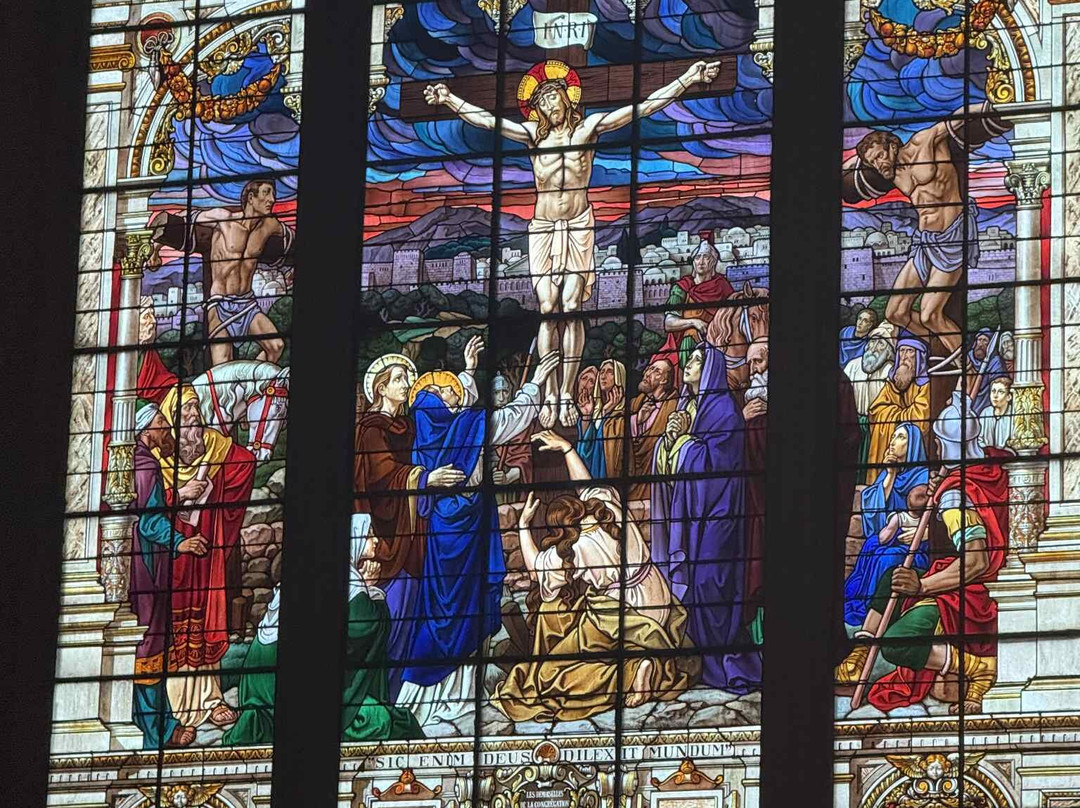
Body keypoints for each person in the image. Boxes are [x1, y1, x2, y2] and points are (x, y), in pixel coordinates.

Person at [425, 58, 722, 428]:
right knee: (548, 308)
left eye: (553, 96)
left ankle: (566, 391)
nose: (549, 105)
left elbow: (642, 108)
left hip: (579, 226)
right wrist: (449, 99)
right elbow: (488, 122)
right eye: (542, 100)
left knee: (570, 306)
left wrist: (688, 78)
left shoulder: (588, 129)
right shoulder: (533, 136)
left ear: (567, 98)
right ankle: (548, 392)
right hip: (542, 228)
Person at [396, 342, 559, 728]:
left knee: (450, 608)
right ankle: (446, 695)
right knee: (458, 608)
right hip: (463, 530)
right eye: (449, 390)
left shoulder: (429, 429)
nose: (459, 392)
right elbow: (507, 421)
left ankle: (456, 689)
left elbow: (459, 408)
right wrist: (535, 382)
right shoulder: (461, 423)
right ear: (438, 399)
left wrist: (469, 369)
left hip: (448, 529)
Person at [491, 432, 695, 722]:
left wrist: (523, 525)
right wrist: (567, 449)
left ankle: (631, 671)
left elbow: (536, 571)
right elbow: (585, 484)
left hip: (621, 612)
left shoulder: (573, 548)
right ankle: (641, 660)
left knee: (551, 675)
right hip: (656, 598)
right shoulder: (606, 507)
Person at [854, 391, 1010, 715]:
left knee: (898, 643)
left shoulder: (955, 497)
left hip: (972, 592)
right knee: (891, 576)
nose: (936, 451)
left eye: (939, 445)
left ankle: (977, 667)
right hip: (971, 577)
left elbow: (976, 561)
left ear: (946, 446)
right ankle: (862, 648)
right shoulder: (990, 468)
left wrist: (922, 586)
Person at [135, 350, 257, 732]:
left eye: (195, 411)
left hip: (204, 551)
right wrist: (180, 493)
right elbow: (147, 509)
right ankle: (175, 707)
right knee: (169, 626)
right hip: (168, 557)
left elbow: (244, 464)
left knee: (205, 620)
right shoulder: (154, 463)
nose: (192, 418)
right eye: (184, 412)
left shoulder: (215, 448)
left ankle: (209, 699)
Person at [222, 515, 424, 744]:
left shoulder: (316, 570)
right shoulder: (351, 582)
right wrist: (371, 590)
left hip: (260, 684)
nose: (376, 541)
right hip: (288, 687)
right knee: (386, 721)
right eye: (369, 535)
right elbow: (368, 627)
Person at [843, 103, 1012, 368]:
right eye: (873, 161)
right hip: (924, 242)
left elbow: (955, 119)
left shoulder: (924, 142)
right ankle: (940, 347)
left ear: (892, 145)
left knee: (930, 314)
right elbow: (850, 169)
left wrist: (993, 104)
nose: (879, 164)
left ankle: (968, 368)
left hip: (952, 237)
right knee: (895, 312)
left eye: (880, 156)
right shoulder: (892, 173)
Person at [650, 343, 762, 692]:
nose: (689, 365)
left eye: (697, 361)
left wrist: (683, 442)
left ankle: (720, 659)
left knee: (708, 582)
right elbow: (670, 465)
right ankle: (696, 655)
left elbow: (716, 465)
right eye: (690, 360)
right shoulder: (687, 408)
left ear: (711, 370)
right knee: (692, 583)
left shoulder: (725, 412)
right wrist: (669, 441)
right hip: (692, 515)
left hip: (719, 515)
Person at [149, 180, 294, 365]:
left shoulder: (270, 225)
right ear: (251, 197)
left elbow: (291, 239)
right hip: (220, 304)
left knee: (276, 346)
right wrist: (155, 249)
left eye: (273, 194)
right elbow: (184, 219)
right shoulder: (224, 219)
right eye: (266, 193)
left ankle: (254, 378)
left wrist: (290, 270)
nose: (272, 199)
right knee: (222, 364)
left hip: (247, 303)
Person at [130, 403, 208, 749]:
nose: (167, 429)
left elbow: (150, 506)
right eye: (162, 422)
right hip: (146, 567)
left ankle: (156, 725)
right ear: (147, 430)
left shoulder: (140, 460)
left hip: (145, 564)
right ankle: (157, 731)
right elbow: (149, 521)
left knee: (150, 642)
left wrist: (178, 494)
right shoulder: (147, 463)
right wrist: (182, 542)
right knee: (150, 641)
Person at [840, 423, 930, 629]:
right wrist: (890, 474)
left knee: (887, 558)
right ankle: (864, 608)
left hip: (916, 545)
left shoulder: (925, 476)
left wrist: (925, 533)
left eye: (901, 437)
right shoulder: (888, 473)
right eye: (893, 436)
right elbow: (875, 514)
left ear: (913, 444)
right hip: (890, 536)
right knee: (873, 547)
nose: (892, 442)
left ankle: (875, 615)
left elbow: (936, 516)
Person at [656, 241, 735, 371]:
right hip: (687, 343)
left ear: (713, 261)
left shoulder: (723, 286)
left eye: (706, 257)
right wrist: (694, 322)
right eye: (698, 257)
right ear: (693, 262)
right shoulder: (682, 287)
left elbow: (734, 317)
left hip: (719, 341)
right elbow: (669, 323)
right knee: (691, 333)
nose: (701, 261)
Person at [866, 336, 930, 484]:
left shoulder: (926, 385)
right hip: (888, 448)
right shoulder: (892, 382)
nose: (904, 356)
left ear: (919, 356)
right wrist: (898, 412)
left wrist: (893, 414)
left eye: (910, 351)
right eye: (901, 351)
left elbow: (920, 420)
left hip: (912, 452)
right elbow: (875, 411)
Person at [741, 338, 768, 640]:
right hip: (751, 507)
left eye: (758, 362)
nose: (753, 371)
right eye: (749, 364)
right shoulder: (748, 415)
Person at [843, 323, 895, 468]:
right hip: (851, 426)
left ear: (889, 352)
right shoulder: (852, 366)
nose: (874, 347)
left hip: (878, 430)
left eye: (881, 344)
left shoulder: (890, 371)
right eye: (872, 341)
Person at [628, 357, 678, 500]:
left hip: (657, 486)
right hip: (631, 477)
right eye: (649, 368)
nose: (648, 373)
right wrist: (637, 420)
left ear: (664, 380)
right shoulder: (634, 404)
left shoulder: (674, 406)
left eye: (656, 371)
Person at [595, 358, 627, 480]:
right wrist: (604, 412)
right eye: (602, 372)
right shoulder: (595, 411)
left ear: (619, 377)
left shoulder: (625, 413)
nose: (603, 376)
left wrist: (607, 414)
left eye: (610, 372)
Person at [968, 328, 1007, 415]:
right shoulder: (968, 358)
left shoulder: (996, 362)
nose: (981, 344)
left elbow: (999, 383)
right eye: (979, 340)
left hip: (987, 401)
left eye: (985, 340)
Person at [978, 376, 1014, 451]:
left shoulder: (1015, 414)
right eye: (993, 391)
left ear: (1009, 397)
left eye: (1000, 392)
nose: (995, 395)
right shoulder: (985, 413)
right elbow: (979, 440)